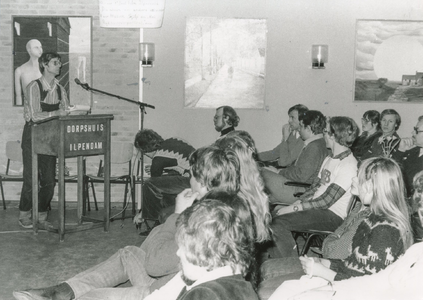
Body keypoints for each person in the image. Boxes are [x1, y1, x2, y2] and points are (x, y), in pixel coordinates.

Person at [13, 146, 242, 300]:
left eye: (191, 174)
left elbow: (153, 263)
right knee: (128, 253)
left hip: (163, 291)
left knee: (93, 297)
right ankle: (61, 291)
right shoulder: (226, 207)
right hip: (168, 279)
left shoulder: (206, 219)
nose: (187, 179)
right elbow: (149, 250)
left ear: (201, 180)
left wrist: (177, 217)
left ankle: (64, 294)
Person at [266, 157, 413, 300]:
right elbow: (353, 264)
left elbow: (364, 287)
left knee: (275, 290)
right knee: (280, 286)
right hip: (341, 282)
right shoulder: (371, 219)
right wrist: (327, 263)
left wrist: (321, 272)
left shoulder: (385, 231)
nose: (353, 180)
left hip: (347, 291)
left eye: (359, 177)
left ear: (373, 187)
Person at [268, 117, 359, 259]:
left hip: (332, 216)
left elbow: (325, 201)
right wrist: (298, 202)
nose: (323, 135)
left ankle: (290, 267)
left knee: (278, 223)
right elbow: (315, 187)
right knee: (272, 216)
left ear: (333, 135)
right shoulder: (330, 158)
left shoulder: (348, 165)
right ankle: (276, 262)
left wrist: (294, 208)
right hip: (319, 210)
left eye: (325, 131)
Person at [144, 193, 259, 300]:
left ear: (202, 254)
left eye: (183, 247)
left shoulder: (203, 294)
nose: (178, 253)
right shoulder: (241, 284)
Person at [18, 52, 70, 229]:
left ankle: (40, 215)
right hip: (32, 137)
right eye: (55, 63)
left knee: (49, 180)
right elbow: (34, 115)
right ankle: (24, 214)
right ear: (44, 65)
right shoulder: (33, 87)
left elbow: (65, 112)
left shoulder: (61, 89)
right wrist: (56, 113)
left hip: (50, 139)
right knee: (31, 179)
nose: (60, 65)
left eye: (60, 63)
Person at [260, 110, 329, 205]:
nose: (299, 130)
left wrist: (278, 172)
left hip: (299, 190)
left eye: (301, 126)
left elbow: (301, 175)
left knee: (258, 171)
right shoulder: (318, 143)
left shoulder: (314, 147)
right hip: (298, 185)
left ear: (308, 128)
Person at [134, 129, 195, 234]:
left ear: (145, 150)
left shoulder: (158, 159)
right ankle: (165, 222)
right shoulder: (174, 139)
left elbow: (154, 183)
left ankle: (154, 223)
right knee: (165, 188)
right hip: (200, 177)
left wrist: (141, 212)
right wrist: (161, 167)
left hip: (191, 181)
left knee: (149, 184)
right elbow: (178, 163)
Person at [391, 115, 423, 197]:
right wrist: (400, 151)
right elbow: (389, 170)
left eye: (417, 130)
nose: (412, 133)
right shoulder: (413, 150)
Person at [14, 39, 43, 106]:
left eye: (40, 47)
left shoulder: (44, 67)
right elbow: (18, 96)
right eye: (36, 47)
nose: (40, 50)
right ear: (29, 50)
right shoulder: (19, 71)